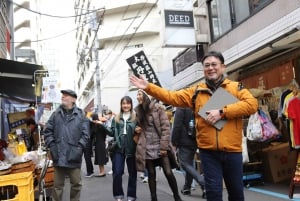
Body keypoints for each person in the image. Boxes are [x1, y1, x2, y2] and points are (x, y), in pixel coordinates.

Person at [130, 51, 258, 201]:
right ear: (203, 69)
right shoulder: (196, 91)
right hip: (208, 153)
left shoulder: (236, 87)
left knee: (236, 195)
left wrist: (223, 112)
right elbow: (172, 97)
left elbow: (252, 105)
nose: (210, 68)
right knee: (214, 195)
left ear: (223, 67)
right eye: (207, 65)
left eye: (214, 65)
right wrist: (149, 87)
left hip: (233, 151)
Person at [134, 89, 183, 201]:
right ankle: (153, 198)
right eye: (137, 94)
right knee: (151, 173)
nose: (137, 96)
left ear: (147, 96)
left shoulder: (159, 108)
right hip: (146, 146)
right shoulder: (138, 110)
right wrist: (136, 129)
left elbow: (166, 129)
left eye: (140, 94)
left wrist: (164, 147)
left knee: (168, 172)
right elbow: (136, 127)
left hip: (160, 145)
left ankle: (176, 196)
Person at [43, 89, 90, 201]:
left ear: (73, 99)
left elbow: (86, 135)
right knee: (57, 186)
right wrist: (52, 146)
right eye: (62, 95)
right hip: (58, 155)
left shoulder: (81, 115)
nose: (63, 97)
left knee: (76, 185)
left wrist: (79, 149)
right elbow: (47, 131)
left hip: (74, 156)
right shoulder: (55, 114)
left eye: (66, 95)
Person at [171, 107, 206, 198]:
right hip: (195, 139)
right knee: (190, 164)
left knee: (184, 163)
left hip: (184, 140)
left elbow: (177, 125)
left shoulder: (181, 106)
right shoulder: (194, 104)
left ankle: (203, 182)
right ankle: (187, 187)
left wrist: (174, 142)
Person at [109, 96, 137, 201]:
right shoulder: (116, 118)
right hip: (118, 146)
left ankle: (131, 195)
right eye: (124, 103)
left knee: (132, 173)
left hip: (131, 146)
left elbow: (139, 130)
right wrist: (101, 126)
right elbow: (112, 132)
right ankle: (118, 195)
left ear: (131, 105)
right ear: (121, 105)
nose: (126, 105)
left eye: (128, 103)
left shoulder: (135, 117)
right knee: (117, 172)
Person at [91, 112, 109, 177]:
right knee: (100, 157)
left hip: (100, 143)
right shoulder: (100, 125)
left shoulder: (98, 125)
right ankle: (102, 171)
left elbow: (92, 133)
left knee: (100, 157)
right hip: (100, 142)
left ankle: (102, 172)